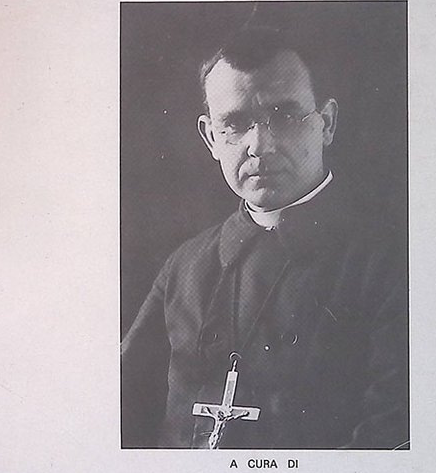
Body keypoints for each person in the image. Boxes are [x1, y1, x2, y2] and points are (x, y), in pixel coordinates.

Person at [121, 29, 409, 450]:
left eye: (285, 116)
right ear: (211, 138)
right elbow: (120, 413)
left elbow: (391, 438)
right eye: (235, 124)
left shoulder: (392, 263)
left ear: (326, 123)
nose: (260, 145)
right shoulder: (185, 267)